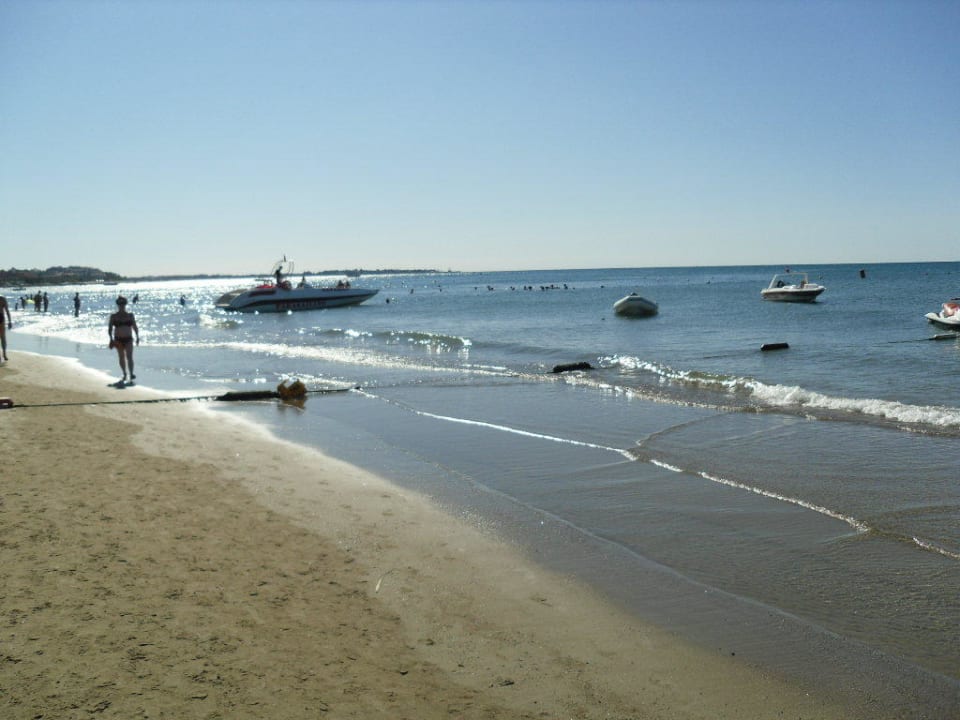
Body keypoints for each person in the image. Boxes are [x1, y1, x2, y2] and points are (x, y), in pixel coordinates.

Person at [108, 296, 140, 383]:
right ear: (117, 304)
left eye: (123, 304)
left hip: (129, 339)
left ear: (125, 304)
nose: (121, 305)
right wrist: (111, 339)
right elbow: (110, 328)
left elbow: (135, 326)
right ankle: (124, 373)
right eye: (120, 304)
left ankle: (131, 373)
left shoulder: (130, 315)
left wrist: (137, 337)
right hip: (118, 339)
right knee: (121, 357)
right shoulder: (114, 316)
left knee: (129, 357)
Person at [0, 295, 11, 362]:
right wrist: (9, 321)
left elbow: (7, 310)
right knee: (3, 337)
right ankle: (4, 354)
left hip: (1, 318)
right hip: (1, 317)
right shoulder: (2, 299)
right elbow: (7, 310)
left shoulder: (2, 299)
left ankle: (4, 354)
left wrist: (10, 321)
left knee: (3, 337)